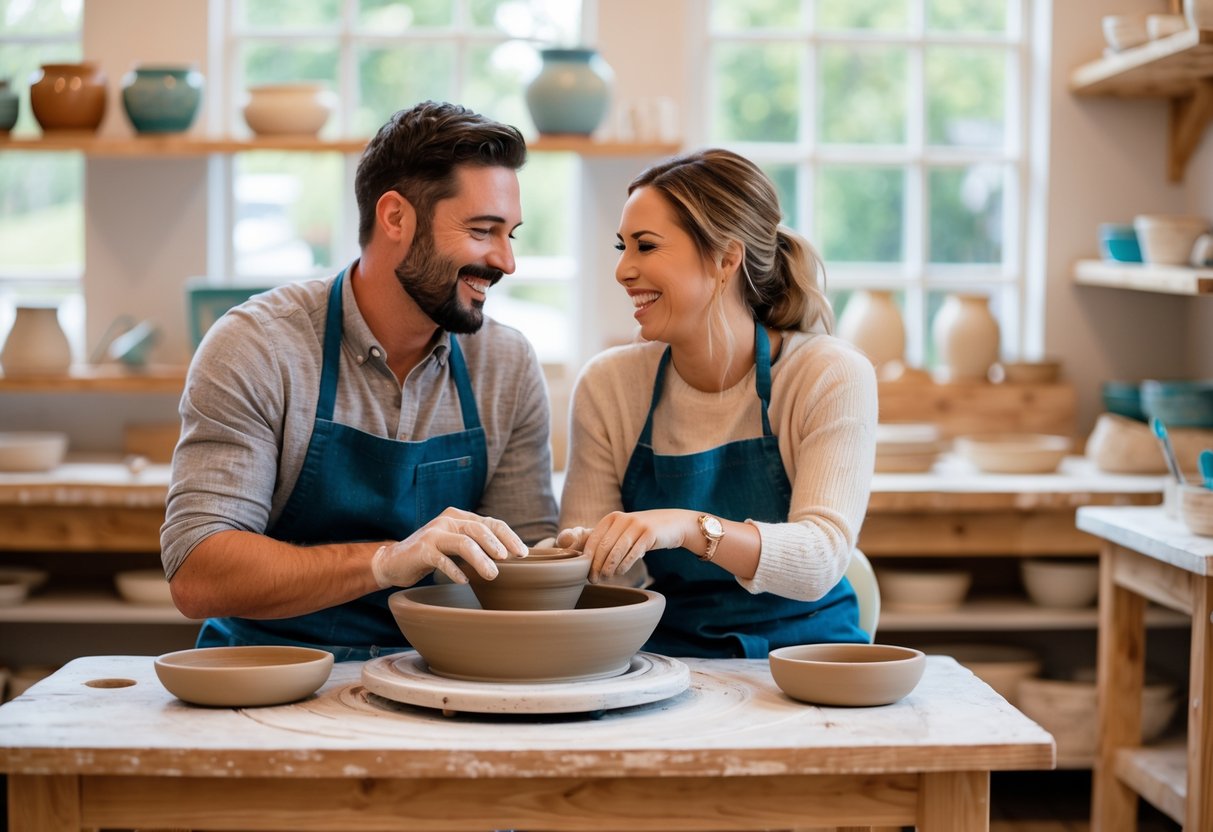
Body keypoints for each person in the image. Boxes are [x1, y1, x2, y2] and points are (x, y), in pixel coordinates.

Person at [161, 101, 558, 661]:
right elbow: (197, 572)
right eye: (481, 231)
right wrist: (385, 561)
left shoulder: (506, 364)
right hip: (270, 670)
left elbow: (524, 569)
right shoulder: (258, 347)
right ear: (395, 217)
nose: (506, 261)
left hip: (439, 672)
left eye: (510, 234)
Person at [556, 148, 876, 659]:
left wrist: (687, 527)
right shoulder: (608, 385)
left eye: (645, 246)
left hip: (809, 656)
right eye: (622, 247)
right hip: (668, 657)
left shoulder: (828, 374)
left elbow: (821, 558)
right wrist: (586, 554)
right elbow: (604, 588)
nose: (622, 269)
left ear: (726, 259)